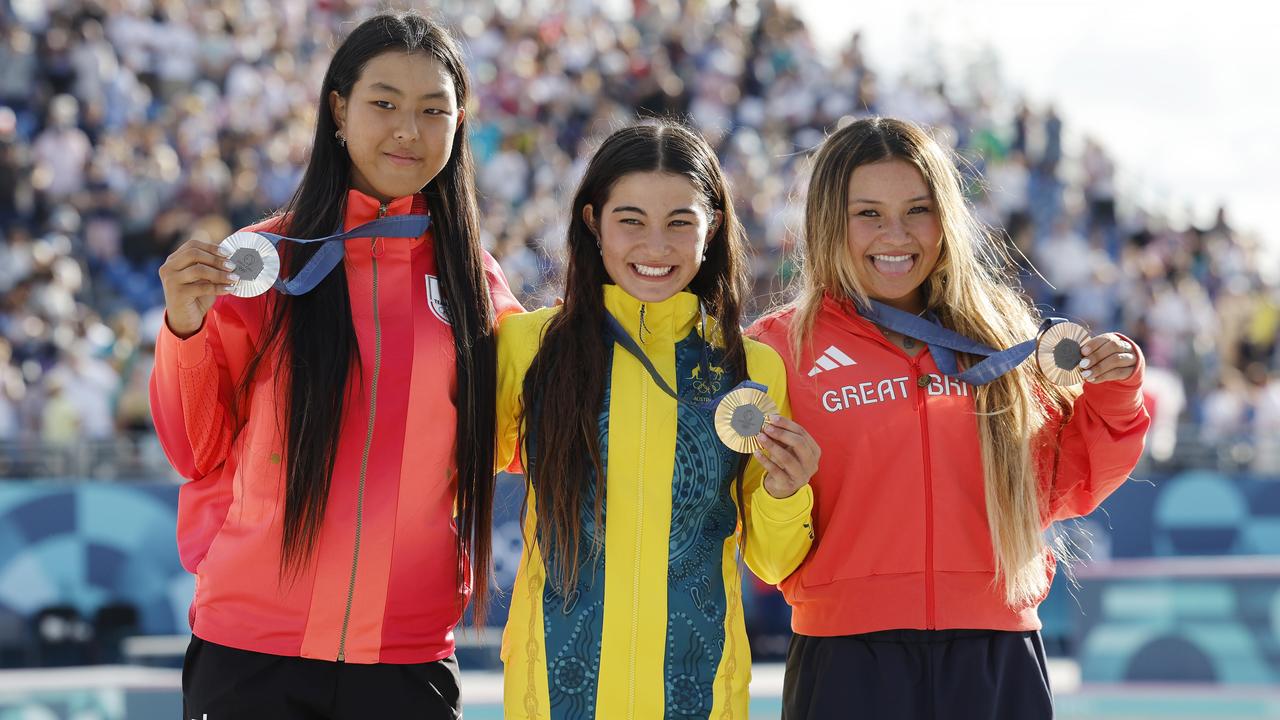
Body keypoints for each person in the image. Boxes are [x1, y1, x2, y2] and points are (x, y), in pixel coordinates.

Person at [149, 12, 522, 719]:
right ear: (339, 110)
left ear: (459, 122)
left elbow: (510, 440)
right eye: (384, 103)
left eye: (432, 109)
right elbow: (193, 448)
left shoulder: (474, 282)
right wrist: (185, 328)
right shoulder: (259, 264)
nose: (407, 130)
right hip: (251, 653)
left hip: (405, 655)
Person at [749, 117, 1150, 719]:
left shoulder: (1002, 337)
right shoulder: (779, 349)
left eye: (918, 209)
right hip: (847, 659)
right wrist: (782, 494)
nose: (896, 234)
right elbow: (768, 556)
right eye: (868, 214)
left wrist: (1116, 393)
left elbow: (1069, 484)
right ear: (828, 220)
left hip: (996, 654)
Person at [495, 122, 820, 719]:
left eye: (680, 222)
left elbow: (773, 562)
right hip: (551, 695)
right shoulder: (529, 346)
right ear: (592, 223)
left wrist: (785, 491)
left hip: (700, 693)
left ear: (713, 226)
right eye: (631, 220)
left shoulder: (750, 369)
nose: (656, 246)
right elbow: (445, 473)